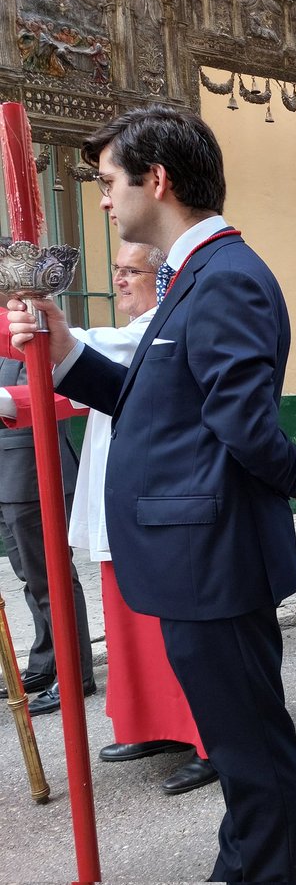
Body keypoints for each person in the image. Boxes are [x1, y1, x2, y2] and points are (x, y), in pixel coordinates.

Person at [7, 105, 296, 882]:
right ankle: (249, 857)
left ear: (158, 180)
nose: (105, 199)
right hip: (196, 554)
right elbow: (154, 398)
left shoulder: (226, 279)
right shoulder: (194, 277)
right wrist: (64, 352)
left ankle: (268, 872)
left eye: (112, 181)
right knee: (234, 736)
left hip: (212, 557)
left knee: (248, 741)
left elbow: (244, 423)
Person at [3, 241, 217, 794]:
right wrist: (9, 401)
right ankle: (155, 724)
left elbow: (78, 355)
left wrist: (25, 313)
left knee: (174, 634)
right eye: (116, 271)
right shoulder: (123, 337)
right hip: (114, 500)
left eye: (132, 271)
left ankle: (209, 738)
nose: (120, 280)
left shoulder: (152, 331)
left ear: (162, 279)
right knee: (129, 630)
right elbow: (71, 396)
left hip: (160, 503)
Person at [0, 331, 94, 715]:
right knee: (29, 575)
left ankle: (75, 674)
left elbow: (39, 397)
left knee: (50, 577)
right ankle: (45, 661)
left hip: (32, 468)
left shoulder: (23, 327)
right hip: (8, 474)